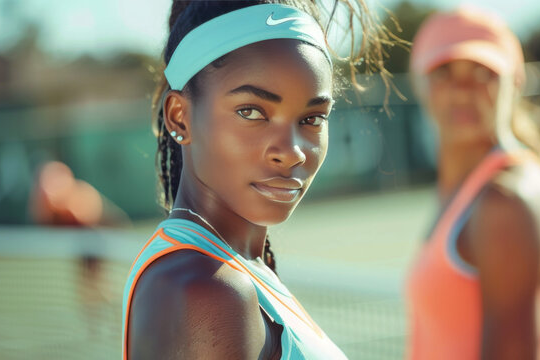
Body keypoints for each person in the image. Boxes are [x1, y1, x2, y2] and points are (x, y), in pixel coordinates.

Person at [122, 1, 396, 359]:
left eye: (312, 118)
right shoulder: (209, 291)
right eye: (251, 112)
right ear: (179, 118)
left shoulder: (230, 272)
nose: (293, 151)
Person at [405, 7, 540, 360]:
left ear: (515, 82)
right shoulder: (467, 191)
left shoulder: (507, 201)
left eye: (484, 72)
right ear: (419, 84)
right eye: (444, 72)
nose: (463, 89)